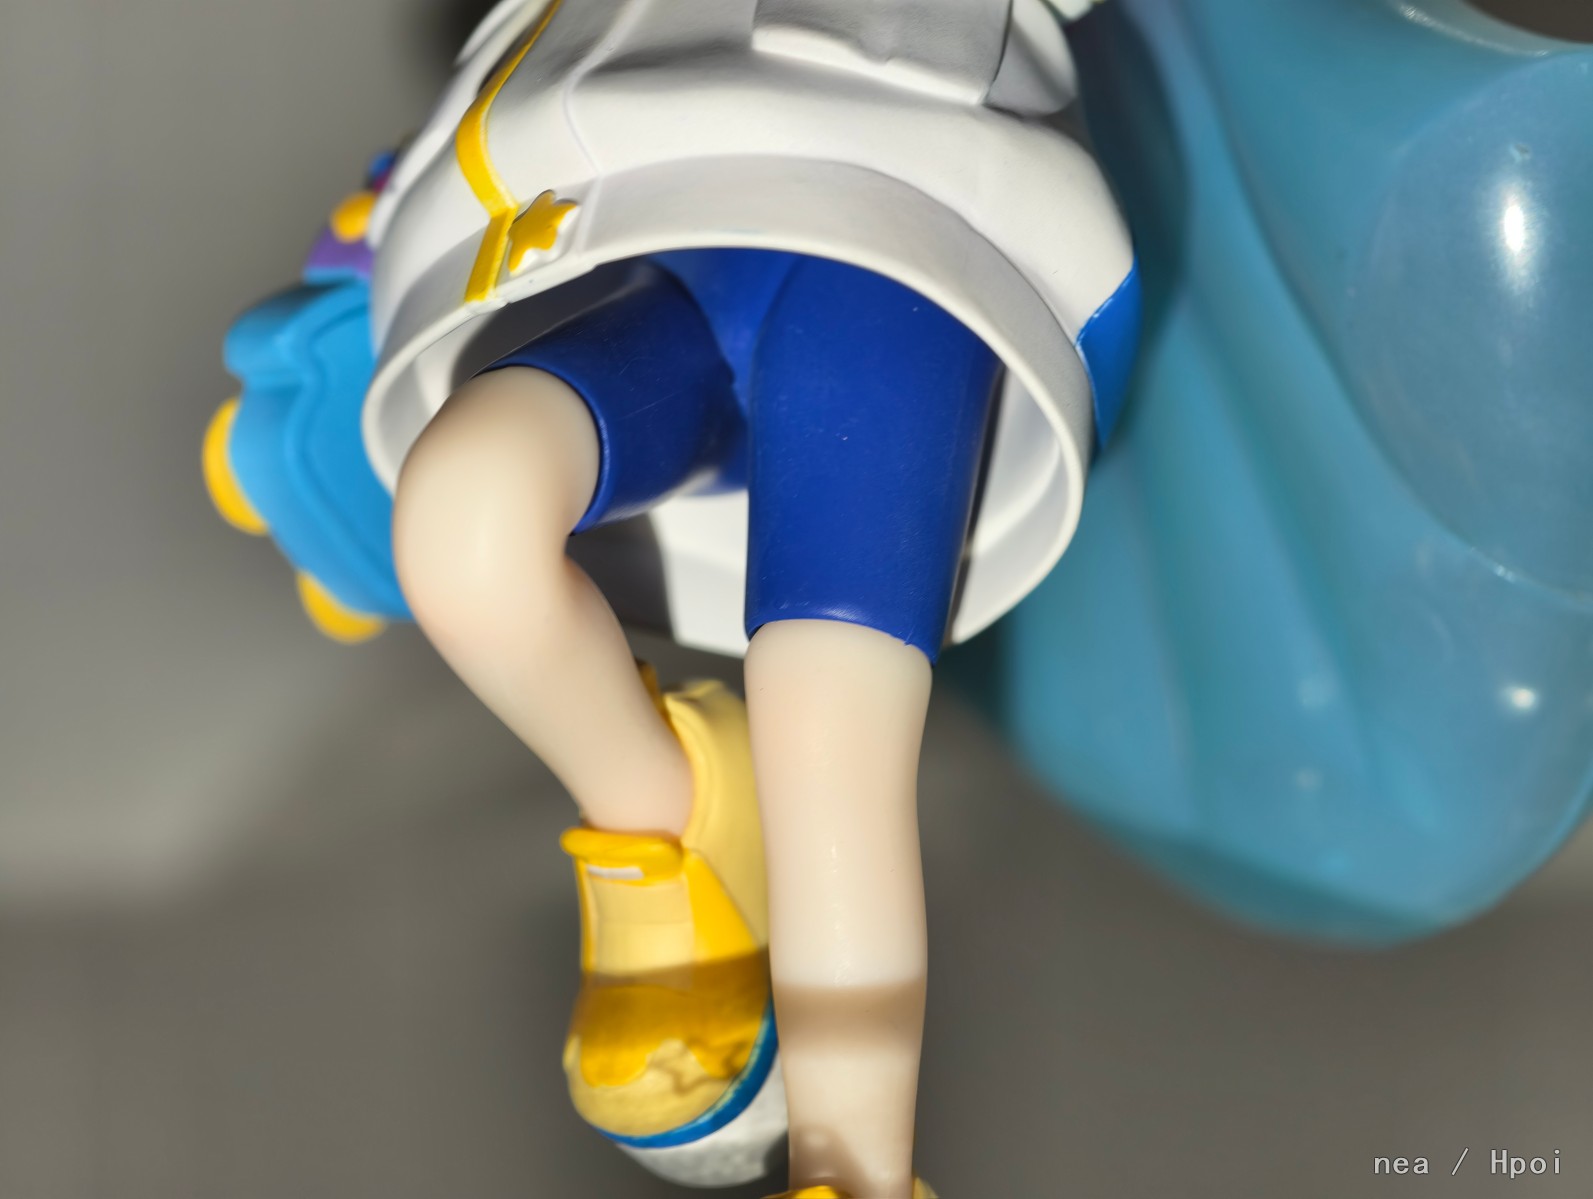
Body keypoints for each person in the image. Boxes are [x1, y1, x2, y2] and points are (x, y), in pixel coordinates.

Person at [208, 1, 1137, 1194]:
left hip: (896, 236)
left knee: (829, 734)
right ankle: (664, 805)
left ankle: (855, 1165)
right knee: (463, 510)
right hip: (660, 219)